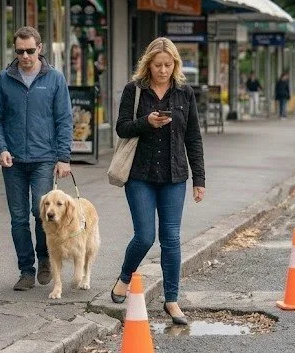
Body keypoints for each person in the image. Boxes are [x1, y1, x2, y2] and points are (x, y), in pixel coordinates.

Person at [109, 37, 206, 326]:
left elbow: (193, 138)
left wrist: (199, 179)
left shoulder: (184, 94)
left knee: (172, 239)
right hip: (140, 175)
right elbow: (122, 127)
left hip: (174, 176)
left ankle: (172, 300)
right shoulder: (134, 91)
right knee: (144, 236)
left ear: (175, 65)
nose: (163, 70)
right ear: (148, 64)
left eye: (168, 65)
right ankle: (125, 276)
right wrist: (146, 122)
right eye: (158, 65)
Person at [0, 26, 73, 291]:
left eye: (30, 50)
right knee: (18, 218)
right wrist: (1, 148)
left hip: (44, 157)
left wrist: (63, 157)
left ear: (40, 48)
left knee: (41, 212)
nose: (25, 56)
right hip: (12, 160)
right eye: (20, 51)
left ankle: (45, 258)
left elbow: (64, 119)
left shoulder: (54, 79)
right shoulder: (3, 80)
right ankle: (26, 270)